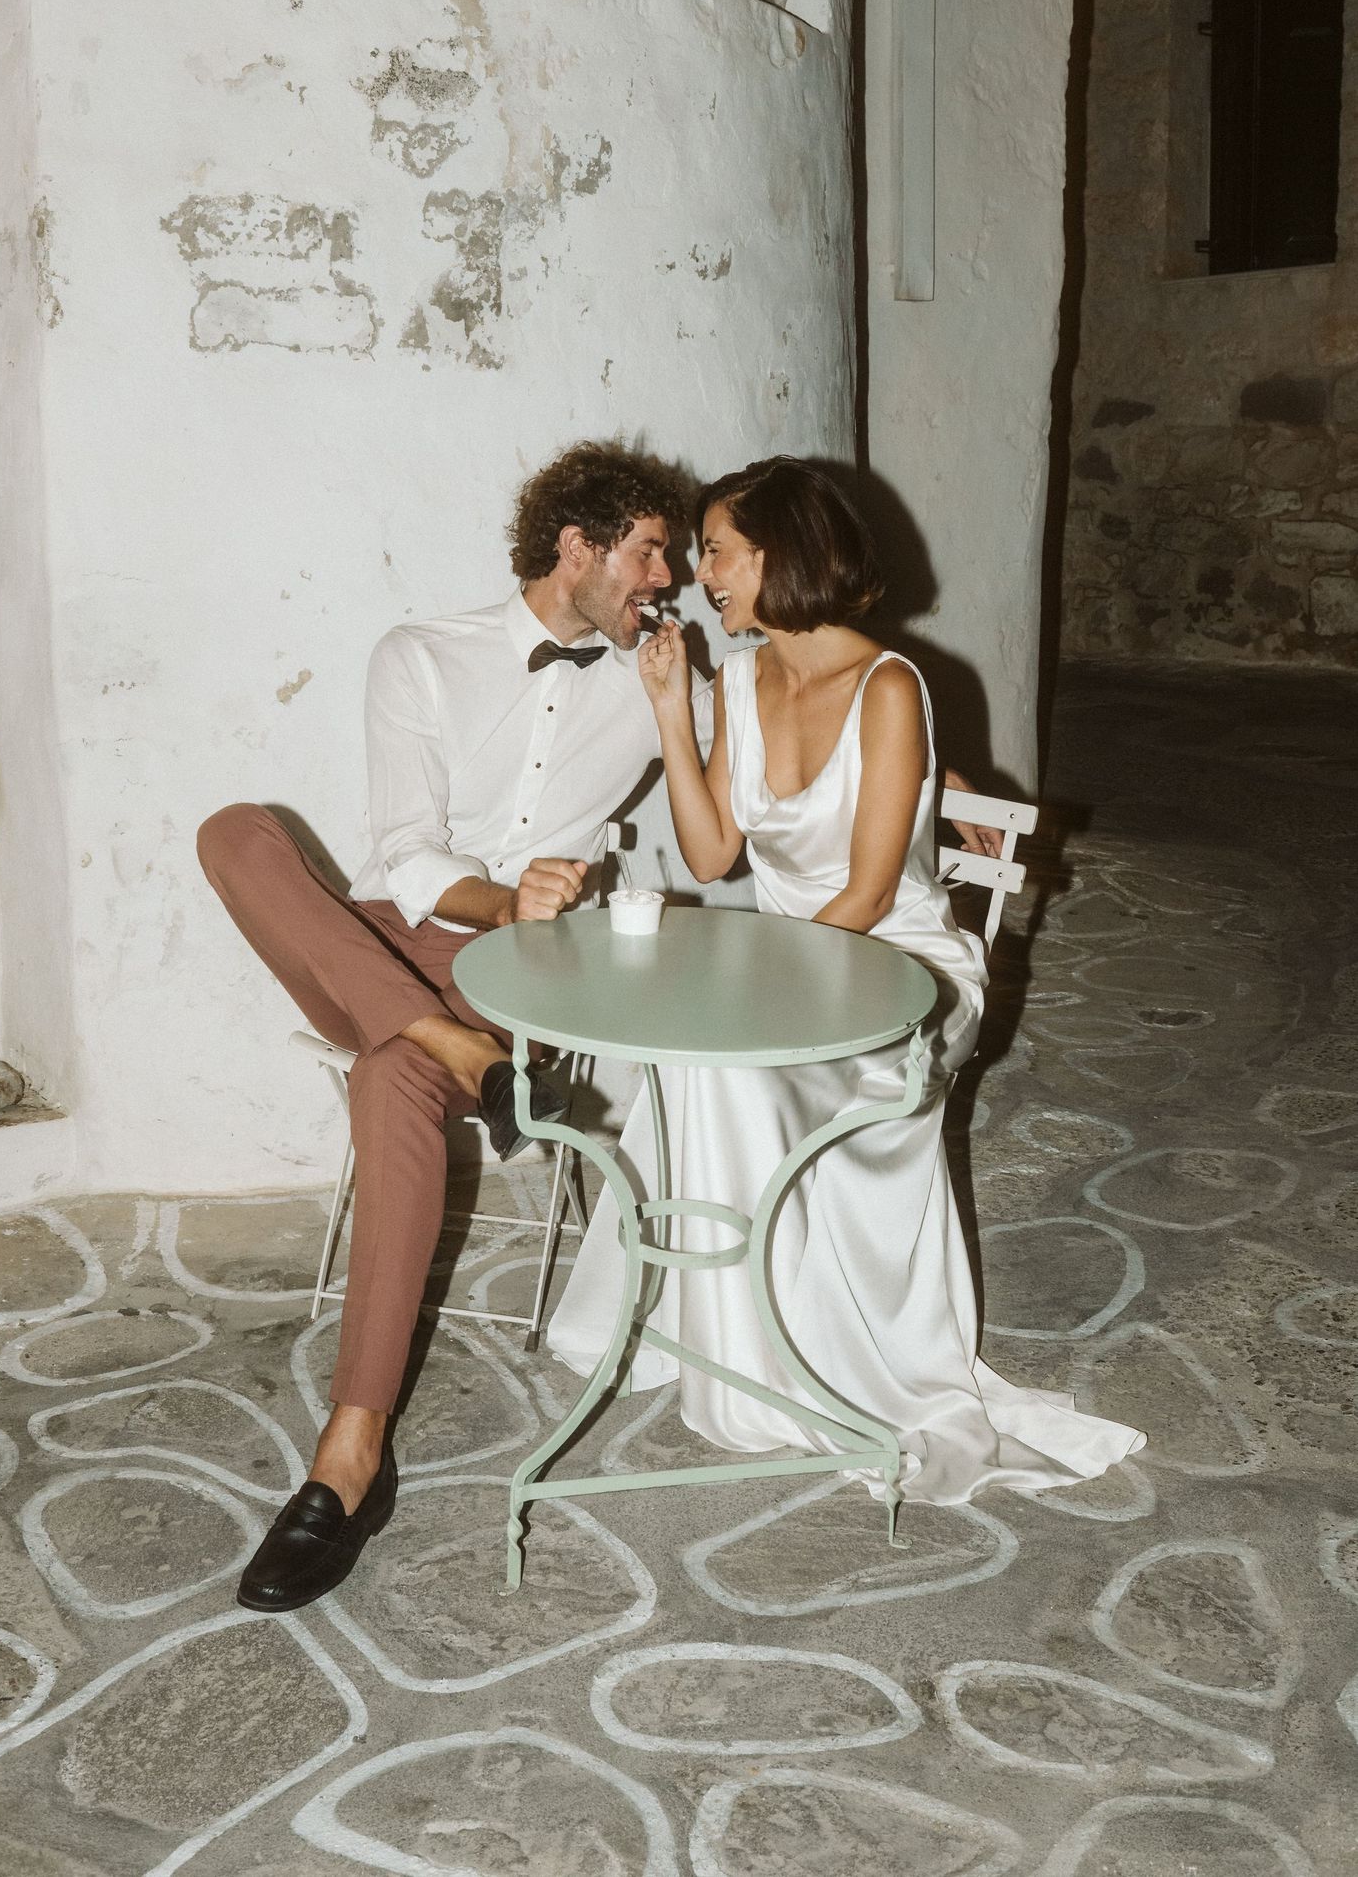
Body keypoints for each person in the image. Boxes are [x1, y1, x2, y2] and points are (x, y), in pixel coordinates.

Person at [549, 456, 1146, 1503]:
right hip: (795, 954)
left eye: (719, 555)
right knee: (687, 1060)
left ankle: (808, 1346)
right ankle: (732, 1336)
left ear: (783, 555)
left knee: (732, 1060)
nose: (701, 578)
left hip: (903, 967)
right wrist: (669, 717)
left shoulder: (889, 688)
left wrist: (757, 1000)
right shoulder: (737, 679)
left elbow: (871, 897)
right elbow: (711, 857)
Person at [197, 439, 698, 1610]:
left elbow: (785, 758)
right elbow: (409, 849)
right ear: (576, 546)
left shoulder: (661, 675)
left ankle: (350, 1455)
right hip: (377, 942)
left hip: (516, 972)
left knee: (387, 1080)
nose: (665, 578)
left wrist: (937, 798)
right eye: (648, 551)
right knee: (235, 830)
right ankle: (457, 1052)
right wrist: (495, 893)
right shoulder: (419, 655)